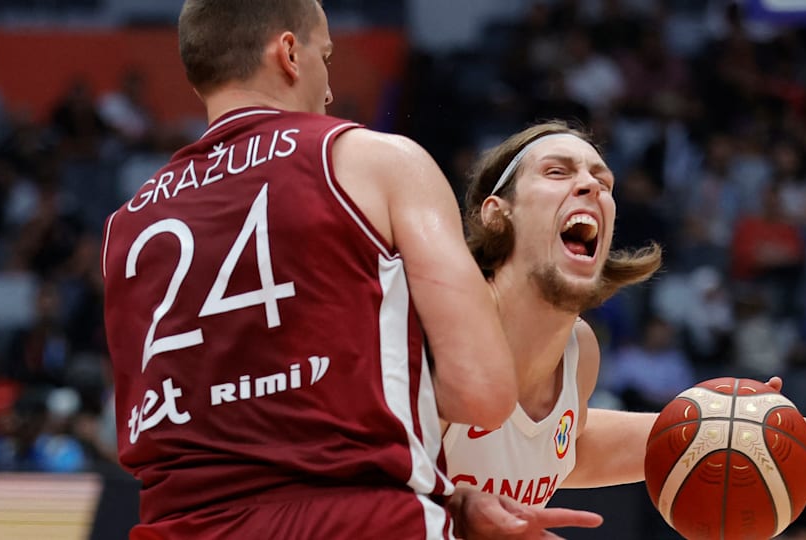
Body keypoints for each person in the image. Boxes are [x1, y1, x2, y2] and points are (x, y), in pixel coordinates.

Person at [100, 1, 597, 538]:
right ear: (290, 53)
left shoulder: (125, 226)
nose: (331, 89)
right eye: (326, 56)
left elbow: (221, 428)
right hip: (358, 521)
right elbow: (481, 390)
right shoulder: (374, 161)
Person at [444, 121, 806, 514]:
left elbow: (560, 450)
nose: (592, 186)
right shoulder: (438, 334)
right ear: (497, 214)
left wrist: (732, 430)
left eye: (604, 183)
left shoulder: (579, 351)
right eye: (557, 172)